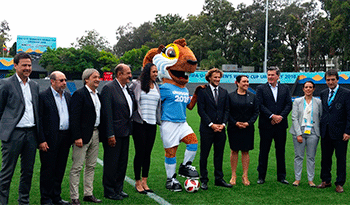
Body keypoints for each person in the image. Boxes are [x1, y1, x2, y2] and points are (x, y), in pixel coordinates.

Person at [0, 53, 39, 205]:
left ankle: (24, 201)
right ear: (15, 65)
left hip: (31, 134)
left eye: (29, 65)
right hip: (13, 134)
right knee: (6, 172)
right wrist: (5, 129)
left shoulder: (34, 85)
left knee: (28, 171)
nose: (27, 68)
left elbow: (35, 110)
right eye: (24, 65)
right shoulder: (6, 83)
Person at [100, 64, 136, 200]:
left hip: (126, 131)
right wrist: (110, 134)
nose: (130, 76)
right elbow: (107, 114)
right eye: (127, 73)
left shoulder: (127, 89)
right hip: (114, 133)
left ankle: (118, 188)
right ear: (119, 74)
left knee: (122, 162)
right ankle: (109, 190)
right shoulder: (109, 88)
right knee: (111, 163)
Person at [69, 69, 102, 204]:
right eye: (95, 77)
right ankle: (74, 196)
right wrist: (77, 136)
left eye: (99, 77)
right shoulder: (79, 94)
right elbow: (74, 117)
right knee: (77, 167)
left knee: (91, 166)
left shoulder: (97, 95)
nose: (98, 79)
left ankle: (88, 194)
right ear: (86, 79)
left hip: (96, 133)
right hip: (82, 136)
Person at [38, 71, 71, 205]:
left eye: (65, 80)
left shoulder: (68, 96)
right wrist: (41, 139)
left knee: (60, 168)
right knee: (48, 169)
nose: (64, 83)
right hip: (49, 139)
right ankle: (46, 198)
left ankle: (56, 197)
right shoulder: (43, 96)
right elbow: (39, 119)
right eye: (61, 80)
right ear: (52, 81)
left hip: (65, 137)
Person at [196, 68, 231, 190]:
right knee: (204, 155)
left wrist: (223, 124)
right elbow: (201, 110)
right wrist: (211, 124)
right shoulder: (202, 91)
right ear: (209, 77)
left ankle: (219, 179)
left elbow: (227, 110)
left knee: (219, 155)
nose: (217, 79)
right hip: (207, 129)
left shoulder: (224, 92)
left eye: (219, 77)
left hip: (221, 129)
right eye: (215, 77)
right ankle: (204, 180)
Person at [256, 67, 292, 185]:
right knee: (264, 151)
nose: (270, 77)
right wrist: (271, 116)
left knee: (280, 151)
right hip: (266, 125)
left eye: (272, 75)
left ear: (278, 76)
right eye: (269, 75)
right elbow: (260, 105)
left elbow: (288, 104)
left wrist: (280, 117)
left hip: (281, 125)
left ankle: (281, 176)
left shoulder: (285, 88)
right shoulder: (261, 88)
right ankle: (261, 176)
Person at [317, 69, 350, 193]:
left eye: (333, 80)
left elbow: (349, 114)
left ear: (337, 79)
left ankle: (340, 183)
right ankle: (326, 180)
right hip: (326, 131)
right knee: (325, 158)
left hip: (341, 133)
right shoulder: (323, 93)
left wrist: (348, 131)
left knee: (341, 159)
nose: (330, 82)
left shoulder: (346, 93)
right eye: (328, 80)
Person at [130, 63, 161, 194]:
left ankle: (145, 181)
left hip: (152, 124)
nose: (156, 74)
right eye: (153, 72)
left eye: (156, 72)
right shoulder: (137, 85)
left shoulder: (157, 87)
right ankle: (137, 182)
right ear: (147, 72)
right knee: (140, 153)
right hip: (140, 124)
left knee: (147, 154)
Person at [227, 75, 259, 186]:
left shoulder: (253, 97)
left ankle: (245, 176)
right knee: (234, 150)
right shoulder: (230, 96)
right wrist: (235, 123)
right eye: (244, 81)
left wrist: (248, 123)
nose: (246, 83)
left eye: (247, 81)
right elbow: (227, 112)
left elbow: (256, 112)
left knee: (246, 151)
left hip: (248, 128)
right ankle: (233, 175)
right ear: (237, 82)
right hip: (233, 127)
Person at [289, 81, 321, 187]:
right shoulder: (297, 101)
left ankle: (310, 180)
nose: (308, 89)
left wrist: (318, 133)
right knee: (299, 156)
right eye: (306, 87)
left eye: (310, 87)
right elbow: (294, 117)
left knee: (311, 157)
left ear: (313, 89)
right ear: (303, 89)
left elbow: (320, 116)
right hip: (299, 131)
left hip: (313, 131)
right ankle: (297, 179)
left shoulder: (318, 102)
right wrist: (298, 133)